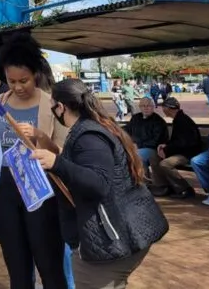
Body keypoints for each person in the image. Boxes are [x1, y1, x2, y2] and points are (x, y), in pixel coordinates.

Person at [31, 79, 169, 289]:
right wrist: (42, 138)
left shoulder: (88, 136)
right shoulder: (94, 127)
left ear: (61, 107)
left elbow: (98, 183)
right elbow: (79, 163)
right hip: (121, 234)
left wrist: (56, 163)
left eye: (52, 104)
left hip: (110, 241)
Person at [0, 33, 69, 289]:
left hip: (41, 191)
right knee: (16, 264)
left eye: (24, 80)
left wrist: (40, 136)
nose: (18, 87)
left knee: (49, 264)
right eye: (11, 81)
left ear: (35, 73)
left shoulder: (53, 106)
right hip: (4, 192)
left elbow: (63, 153)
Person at [149, 98, 203, 198]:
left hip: (188, 153)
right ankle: (163, 186)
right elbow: (177, 140)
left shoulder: (183, 121)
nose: (163, 109)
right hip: (181, 151)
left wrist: (166, 150)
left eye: (164, 107)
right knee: (154, 158)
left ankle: (185, 189)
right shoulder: (178, 119)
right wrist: (165, 145)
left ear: (170, 108)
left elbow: (184, 143)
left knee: (165, 164)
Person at [123, 97, 168, 173]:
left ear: (153, 107)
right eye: (143, 106)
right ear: (140, 107)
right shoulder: (135, 118)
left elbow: (156, 140)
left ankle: (144, 182)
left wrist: (137, 146)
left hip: (153, 149)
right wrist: (130, 144)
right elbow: (127, 132)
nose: (146, 108)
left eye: (149, 105)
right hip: (135, 147)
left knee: (138, 156)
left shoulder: (158, 121)